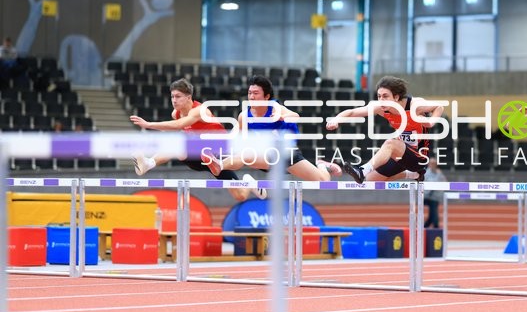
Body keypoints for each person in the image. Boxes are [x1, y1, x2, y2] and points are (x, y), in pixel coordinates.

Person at [129, 78, 262, 201]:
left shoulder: (199, 110)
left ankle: (249, 183)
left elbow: (179, 125)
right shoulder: (176, 114)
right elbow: (177, 129)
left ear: (188, 97)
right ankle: (148, 163)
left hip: (219, 156)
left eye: (178, 97)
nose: (174, 100)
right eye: (172, 97)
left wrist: (149, 125)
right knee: (178, 144)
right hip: (200, 157)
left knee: (240, 196)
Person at [205, 75, 342, 182]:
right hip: (265, 155)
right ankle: (220, 166)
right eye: (249, 93)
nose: (251, 97)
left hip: (287, 154)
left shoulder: (275, 108)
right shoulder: (244, 116)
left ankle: (322, 166)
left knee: (323, 181)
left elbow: (295, 116)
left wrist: (282, 116)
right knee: (244, 154)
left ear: (267, 97)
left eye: (256, 93)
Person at [326, 75, 444, 183]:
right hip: (400, 155)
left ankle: (362, 170)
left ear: (396, 97)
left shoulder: (415, 105)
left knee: (390, 143)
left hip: (418, 157)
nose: (381, 100)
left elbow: (439, 106)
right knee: (370, 180)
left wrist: (430, 122)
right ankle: (412, 174)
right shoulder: (381, 108)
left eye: (385, 96)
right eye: (379, 96)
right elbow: (352, 112)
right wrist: (336, 120)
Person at [423, 159, 447, 228]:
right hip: (428, 197)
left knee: (431, 216)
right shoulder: (426, 173)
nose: (433, 165)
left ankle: (424, 228)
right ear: (429, 164)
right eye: (431, 163)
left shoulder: (439, 173)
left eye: (434, 163)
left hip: (436, 197)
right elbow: (429, 184)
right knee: (434, 215)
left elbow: (445, 182)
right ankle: (436, 229)